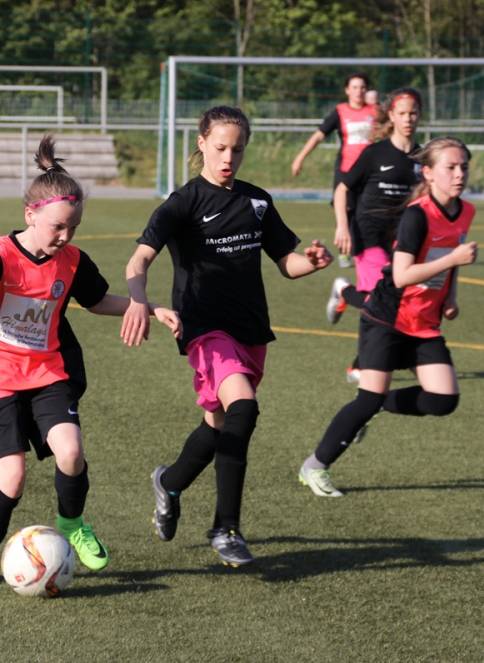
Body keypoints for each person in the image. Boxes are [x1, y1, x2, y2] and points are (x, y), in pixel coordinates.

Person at [0, 136, 182, 589]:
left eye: (73, 228)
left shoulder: (71, 260)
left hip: (49, 371)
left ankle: (72, 524)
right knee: (13, 476)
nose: (65, 237)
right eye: (57, 227)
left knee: (70, 452)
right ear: (30, 216)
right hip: (0, 374)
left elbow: (96, 300)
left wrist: (150, 308)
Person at [122, 106, 333, 567]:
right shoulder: (183, 201)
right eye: (220, 148)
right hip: (204, 327)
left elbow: (287, 263)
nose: (228, 158)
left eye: (237, 150)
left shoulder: (257, 201)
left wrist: (312, 262)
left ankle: (168, 483)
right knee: (244, 408)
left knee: (219, 425)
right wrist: (139, 300)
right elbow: (138, 260)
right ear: (202, 143)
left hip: (251, 327)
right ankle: (226, 527)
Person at [299, 136, 478, 498]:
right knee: (366, 398)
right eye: (451, 167)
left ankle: (376, 405)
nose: (460, 174)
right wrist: (452, 260)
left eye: (464, 167)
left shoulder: (465, 211)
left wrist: (451, 296)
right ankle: (314, 467)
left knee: (443, 399)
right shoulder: (417, 215)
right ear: (428, 173)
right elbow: (401, 275)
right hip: (387, 317)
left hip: (424, 322)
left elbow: (453, 255)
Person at [324, 88, 424, 382]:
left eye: (413, 113)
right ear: (392, 116)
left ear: (420, 116)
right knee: (378, 299)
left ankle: (344, 292)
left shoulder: (424, 157)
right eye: (402, 113)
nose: (408, 119)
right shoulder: (374, 153)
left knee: (396, 300)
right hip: (367, 233)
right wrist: (342, 225)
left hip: (401, 239)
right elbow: (342, 189)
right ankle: (360, 366)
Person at [291, 73, 378, 269]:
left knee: (366, 212)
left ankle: (364, 250)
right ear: (347, 90)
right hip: (347, 169)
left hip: (370, 171)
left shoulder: (375, 111)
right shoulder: (340, 111)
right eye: (354, 87)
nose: (359, 91)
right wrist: (300, 158)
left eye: (362, 87)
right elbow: (318, 136)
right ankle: (345, 252)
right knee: (345, 210)